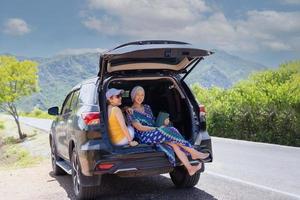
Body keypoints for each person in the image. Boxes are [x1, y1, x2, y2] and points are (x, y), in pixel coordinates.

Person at [127, 86, 209, 176]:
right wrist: (159, 129)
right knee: (172, 130)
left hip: (154, 132)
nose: (140, 97)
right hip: (144, 136)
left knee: (174, 144)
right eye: (138, 94)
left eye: (142, 95)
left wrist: (164, 124)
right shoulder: (130, 111)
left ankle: (189, 168)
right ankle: (193, 152)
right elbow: (139, 127)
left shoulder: (147, 107)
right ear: (133, 96)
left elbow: (154, 123)